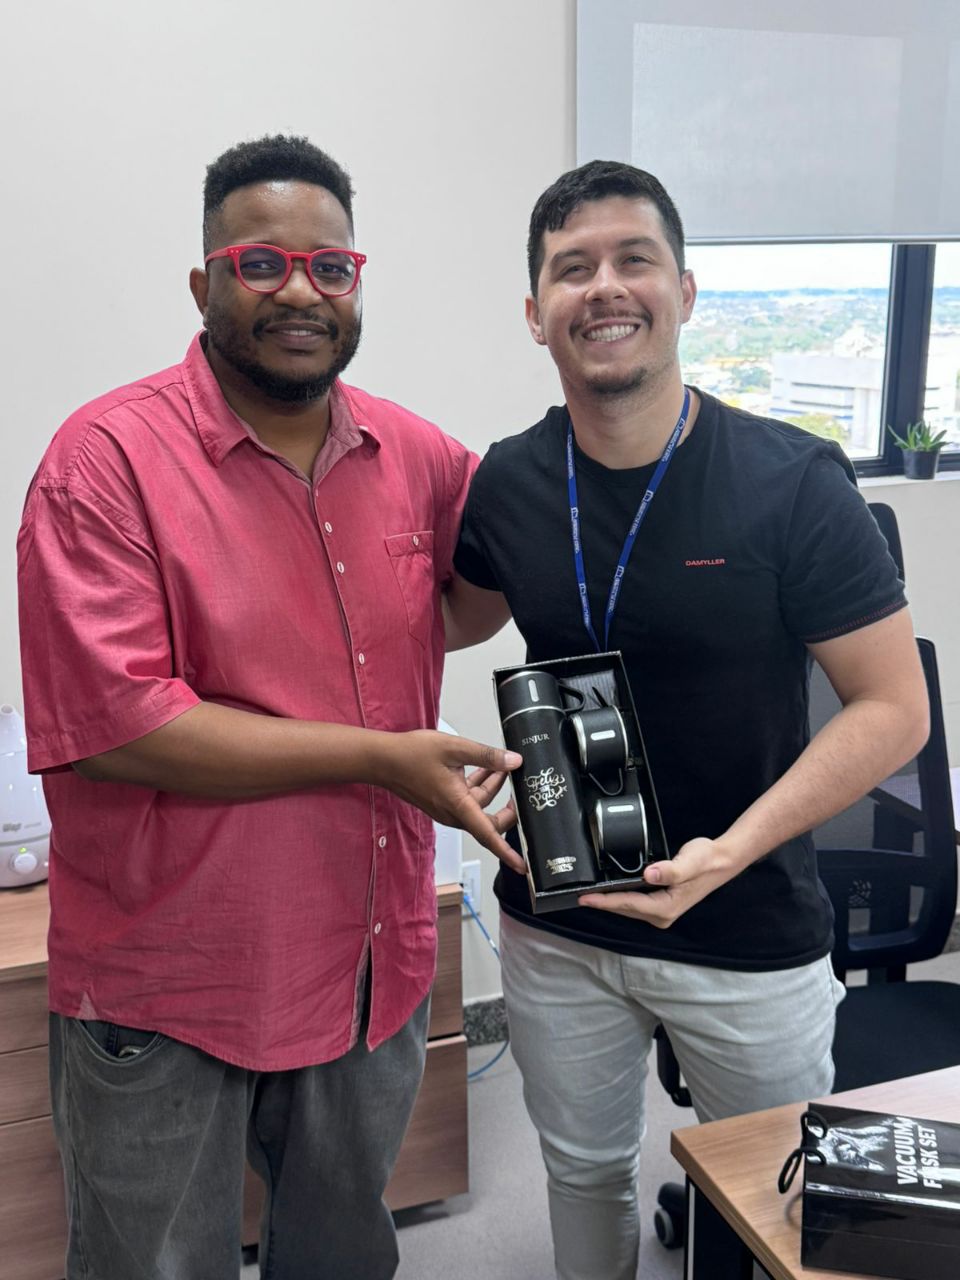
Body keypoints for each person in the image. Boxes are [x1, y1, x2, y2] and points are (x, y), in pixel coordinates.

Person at [16, 134, 522, 1280]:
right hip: (172, 972)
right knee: (154, 1263)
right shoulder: (104, 461)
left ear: (355, 281)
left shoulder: (414, 452)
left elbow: (464, 600)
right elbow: (122, 726)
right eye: (261, 263)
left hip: (365, 955)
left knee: (341, 1252)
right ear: (204, 283)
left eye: (330, 266)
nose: (300, 291)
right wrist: (383, 756)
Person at [447, 160, 930, 1280]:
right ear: (536, 313)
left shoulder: (791, 481)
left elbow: (894, 707)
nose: (604, 287)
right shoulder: (510, 482)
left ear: (686, 290)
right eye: (572, 268)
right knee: (580, 1172)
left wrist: (729, 852)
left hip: (745, 920)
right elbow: (440, 620)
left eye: (635, 259)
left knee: (783, 1197)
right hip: (561, 921)